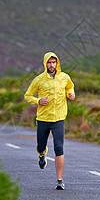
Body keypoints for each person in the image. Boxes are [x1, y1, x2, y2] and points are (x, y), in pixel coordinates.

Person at [24, 52, 75, 190]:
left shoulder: (64, 77)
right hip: (43, 119)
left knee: (59, 148)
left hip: (59, 119)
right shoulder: (39, 79)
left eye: (53, 62)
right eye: (49, 62)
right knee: (41, 146)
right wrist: (38, 101)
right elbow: (27, 95)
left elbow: (70, 86)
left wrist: (71, 94)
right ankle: (42, 155)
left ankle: (60, 180)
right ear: (45, 63)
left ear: (57, 63)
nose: (51, 65)